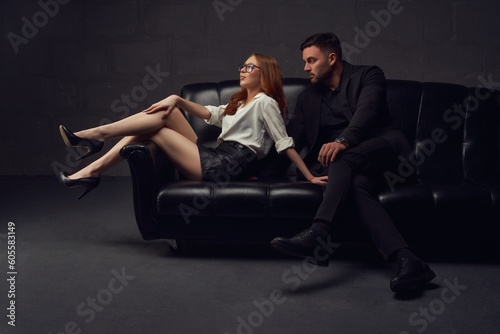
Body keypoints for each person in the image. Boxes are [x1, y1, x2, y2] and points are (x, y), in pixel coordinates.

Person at [269, 33, 436, 293]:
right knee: (356, 187)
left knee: (341, 157)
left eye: (311, 60)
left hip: (385, 155)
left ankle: (320, 231)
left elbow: (367, 111)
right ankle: (409, 260)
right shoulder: (308, 98)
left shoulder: (369, 75)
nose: (305, 67)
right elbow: (290, 140)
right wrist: (255, 172)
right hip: (348, 169)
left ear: (332, 58)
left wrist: (343, 141)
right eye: (305, 62)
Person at [58, 52, 327, 200]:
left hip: (228, 163)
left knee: (158, 131)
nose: (242, 70)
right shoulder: (239, 103)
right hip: (217, 155)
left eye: (250, 67)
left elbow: (284, 143)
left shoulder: (266, 103)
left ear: (264, 74)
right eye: (242, 65)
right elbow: (208, 113)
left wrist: (309, 177)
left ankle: (96, 140)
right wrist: (176, 98)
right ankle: (94, 156)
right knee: (170, 111)